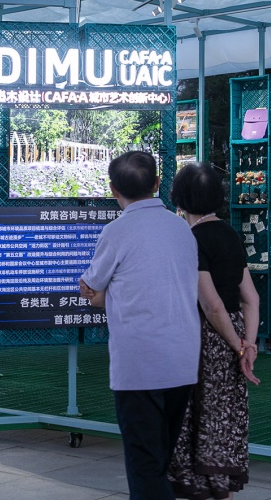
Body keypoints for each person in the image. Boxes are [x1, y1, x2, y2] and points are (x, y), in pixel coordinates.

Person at [78, 151, 200, 500]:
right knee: (160, 454)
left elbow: (92, 286)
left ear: (112, 189)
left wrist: (102, 293)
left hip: (138, 362)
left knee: (145, 462)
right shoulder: (181, 227)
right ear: (158, 183)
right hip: (182, 359)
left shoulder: (115, 232)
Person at [167, 163, 261, 500]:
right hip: (233, 333)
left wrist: (238, 346)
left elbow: (211, 305)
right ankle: (224, 489)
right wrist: (248, 344)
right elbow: (250, 298)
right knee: (224, 416)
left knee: (198, 415)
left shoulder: (192, 239)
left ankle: (203, 489)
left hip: (204, 338)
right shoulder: (229, 233)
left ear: (180, 198)